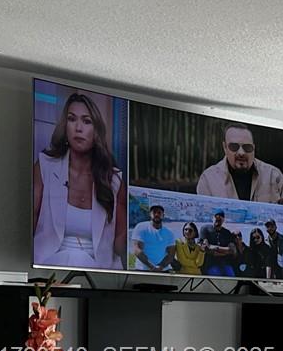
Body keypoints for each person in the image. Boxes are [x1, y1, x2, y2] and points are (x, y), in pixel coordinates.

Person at [31, 90, 127, 268]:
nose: (78, 128)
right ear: (64, 125)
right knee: (73, 258)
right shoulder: (45, 166)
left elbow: (121, 245)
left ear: (96, 130)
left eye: (87, 121)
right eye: (72, 119)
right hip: (48, 268)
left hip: (99, 271)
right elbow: (29, 225)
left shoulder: (114, 180)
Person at [195, 121, 283, 205]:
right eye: (234, 147)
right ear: (225, 147)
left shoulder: (273, 175)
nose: (241, 153)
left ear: (254, 148)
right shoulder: (208, 179)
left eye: (247, 147)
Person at [130, 203, 175, 272]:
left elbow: (171, 254)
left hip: (163, 270)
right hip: (143, 269)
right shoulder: (141, 227)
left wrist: (160, 266)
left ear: (163, 216)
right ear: (150, 214)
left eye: (159, 212)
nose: (156, 214)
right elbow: (137, 249)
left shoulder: (169, 232)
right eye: (154, 212)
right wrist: (151, 266)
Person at [202, 210, 238, 277]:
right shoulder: (205, 229)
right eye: (216, 218)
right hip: (211, 264)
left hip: (225, 264)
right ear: (212, 218)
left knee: (232, 278)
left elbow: (232, 250)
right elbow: (207, 248)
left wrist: (216, 249)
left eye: (220, 219)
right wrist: (225, 251)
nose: (217, 221)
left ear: (223, 220)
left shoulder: (227, 233)